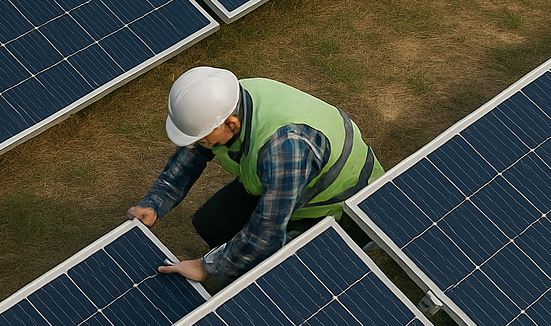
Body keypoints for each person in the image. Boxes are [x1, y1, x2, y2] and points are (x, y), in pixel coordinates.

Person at [129, 66, 383, 283]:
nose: (199, 143)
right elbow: (191, 156)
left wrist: (207, 267)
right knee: (211, 224)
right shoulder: (229, 102)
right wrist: (154, 204)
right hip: (282, 180)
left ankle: (349, 243)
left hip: (340, 204)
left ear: (231, 124)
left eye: (202, 138)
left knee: (282, 273)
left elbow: (266, 232)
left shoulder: (285, 150)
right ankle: (239, 263)